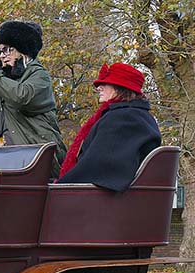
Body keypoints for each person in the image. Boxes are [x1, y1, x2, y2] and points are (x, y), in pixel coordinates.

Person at [0, 20, 67, 176]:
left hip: (33, 158)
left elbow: (21, 97)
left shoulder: (39, 76)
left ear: (23, 50)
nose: (2, 56)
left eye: (7, 49)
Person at [57, 63, 162, 192]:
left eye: (105, 84)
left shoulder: (123, 118)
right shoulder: (137, 116)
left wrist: (60, 186)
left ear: (120, 88)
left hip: (101, 203)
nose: (99, 88)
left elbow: (98, 165)